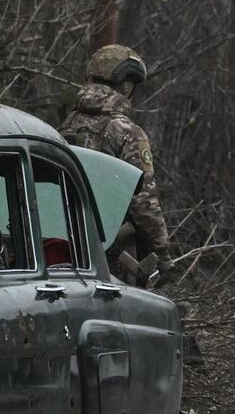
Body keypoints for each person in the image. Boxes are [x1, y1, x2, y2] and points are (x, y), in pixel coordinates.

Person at [61, 44, 170, 284]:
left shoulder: (67, 123)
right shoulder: (127, 132)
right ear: (126, 84)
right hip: (113, 253)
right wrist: (163, 255)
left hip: (64, 243)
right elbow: (143, 201)